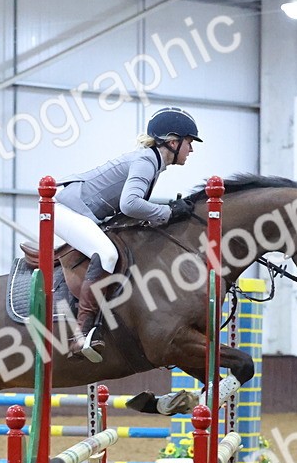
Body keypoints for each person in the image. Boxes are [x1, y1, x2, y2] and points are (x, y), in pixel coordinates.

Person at [52, 107, 202, 362]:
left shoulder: (152, 162)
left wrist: (168, 212)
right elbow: (129, 204)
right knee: (107, 254)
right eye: (189, 142)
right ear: (173, 142)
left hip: (82, 210)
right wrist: (168, 211)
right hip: (64, 208)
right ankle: (81, 335)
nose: (192, 149)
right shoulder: (145, 161)